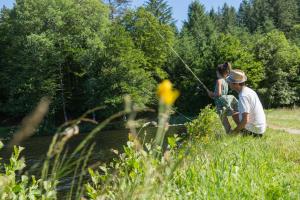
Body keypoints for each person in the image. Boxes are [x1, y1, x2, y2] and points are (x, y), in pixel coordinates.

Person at [226, 69, 266, 137]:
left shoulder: (243, 96)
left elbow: (245, 120)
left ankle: (244, 134)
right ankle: (243, 132)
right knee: (234, 114)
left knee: (235, 115)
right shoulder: (249, 91)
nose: (228, 83)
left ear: (236, 84)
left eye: (230, 82)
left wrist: (234, 132)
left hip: (255, 132)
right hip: (260, 128)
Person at [207, 62, 239, 133]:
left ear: (218, 72)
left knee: (223, 119)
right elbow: (222, 94)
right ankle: (238, 128)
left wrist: (211, 94)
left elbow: (219, 94)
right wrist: (213, 96)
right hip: (225, 101)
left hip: (220, 104)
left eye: (216, 71)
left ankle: (229, 132)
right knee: (232, 114)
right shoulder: (225, 81)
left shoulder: (219, 81)